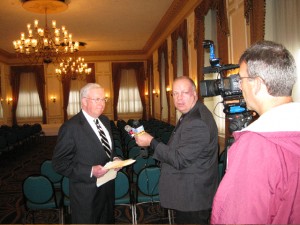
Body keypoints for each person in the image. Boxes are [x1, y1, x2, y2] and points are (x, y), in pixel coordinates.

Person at [211, 41, 300, 224]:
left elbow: (238, 217)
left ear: (258, 84)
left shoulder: (256, 146)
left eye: (240, 79)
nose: (239, 86)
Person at [135, 76, 219, 224]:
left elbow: (180, 159)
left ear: (194, 93)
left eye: (184, 92)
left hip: (193, 198)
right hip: (189, 194)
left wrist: (151, 142)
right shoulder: (191, 114)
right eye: (175, 93)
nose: (179, 98)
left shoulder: (197, 122)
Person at [52, 83, 120, 224]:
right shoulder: (71, 127)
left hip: (107, 189)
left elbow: (107, 151)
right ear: (84, 101)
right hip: (86, 195)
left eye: (104, 99)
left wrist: (116, 158)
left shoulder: (105, 121)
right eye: (97, 99)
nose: (102, 104)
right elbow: (59, 164)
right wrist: (89, 171)